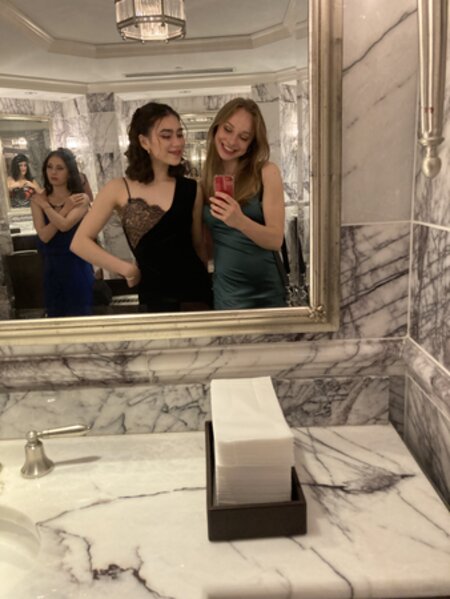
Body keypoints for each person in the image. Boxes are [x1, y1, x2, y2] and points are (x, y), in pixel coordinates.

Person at [70, 101, 212, 313]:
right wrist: (125, 268)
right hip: (152, 295)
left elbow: (199, 247)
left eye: (179, 134)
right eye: (166, 135)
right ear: (144, 141)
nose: (177, 142)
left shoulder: (192, 188)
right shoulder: (118, 188)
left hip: (195, 294)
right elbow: (79, 242)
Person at [199, 97, 287, 310]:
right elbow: (206, 248)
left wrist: (239, 221)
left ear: (251, 144)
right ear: (216, 128)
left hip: (266, 290)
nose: (232, 141)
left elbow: (275, 240)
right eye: (228, 129)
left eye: (243, 137)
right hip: (227, 292)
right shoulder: (204, 183)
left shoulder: (266, 172)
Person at [31, 148, 94, 317]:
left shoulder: (80, 198)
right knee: (55, 319)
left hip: (76, 265)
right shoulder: (38, 200)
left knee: (80, 317)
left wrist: (48, 207)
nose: (53, 172)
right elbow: (45, 236)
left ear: (69, 171)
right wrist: (62, 208)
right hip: (51, 267)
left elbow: (64, 225)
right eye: (50, 167)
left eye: (60, 168)